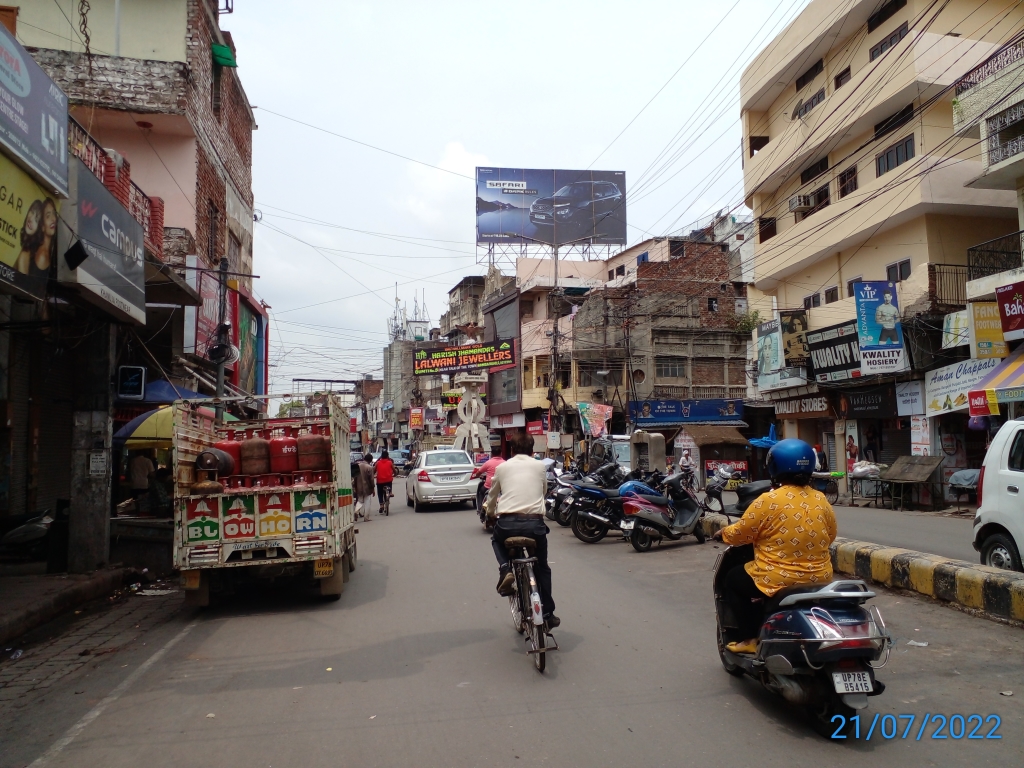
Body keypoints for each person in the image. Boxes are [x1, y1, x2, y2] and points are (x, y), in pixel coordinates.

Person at [712, 439, 837, 654]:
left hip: (777, 578)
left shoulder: (768, 500)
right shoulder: (820, 499)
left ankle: (750, 638)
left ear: (775, 467)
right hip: (820, 577)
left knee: (732, 579)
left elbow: (742, 533)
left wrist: (723, 533)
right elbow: (831, 535)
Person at [485, 432, 559, 628]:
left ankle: (505, 569)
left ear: (511, 450)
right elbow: (542, 492)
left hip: (507, 524)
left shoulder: (502, 467)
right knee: (542, 566)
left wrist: (490, 514)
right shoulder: (539, 466)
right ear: (532, 449)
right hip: (535, 525)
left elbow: (492, 496)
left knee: (495, 539)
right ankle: (549, 612)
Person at [476, 447, 505, 516]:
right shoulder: (505, 463)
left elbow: (478, 473)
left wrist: (478, 475)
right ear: (501, 454)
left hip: (489, 486)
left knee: (481, 491)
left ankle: (480, 508)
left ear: (491, 454)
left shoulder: (488, 463)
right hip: (502, 487)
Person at [16, 200, 43, 275]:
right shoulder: (25, 249)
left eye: (36, 220)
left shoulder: (25, 254)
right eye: (32, 212)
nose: (31, 219)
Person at [373, 449, 395, 514]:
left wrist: (374, 473)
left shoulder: (378, 463)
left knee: (380, 493)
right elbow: (394, 470)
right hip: (388, 480)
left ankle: (381, 505)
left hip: (380, 481)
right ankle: (390, 492)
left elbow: (374, 471)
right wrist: (395, 473)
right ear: (387, 456)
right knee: (389, 484)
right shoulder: (390, 462)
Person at [355, 452, 374, 520]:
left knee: (360, 500)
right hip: (367, 487)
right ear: (370, 460)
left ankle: (356, 511)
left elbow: (355, 478)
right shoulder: (370, 467)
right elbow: (371, 479)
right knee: (367, 501)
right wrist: (373, 488)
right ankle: (366, 518)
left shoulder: (358, 466)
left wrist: (355, 487)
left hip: (358, 486)